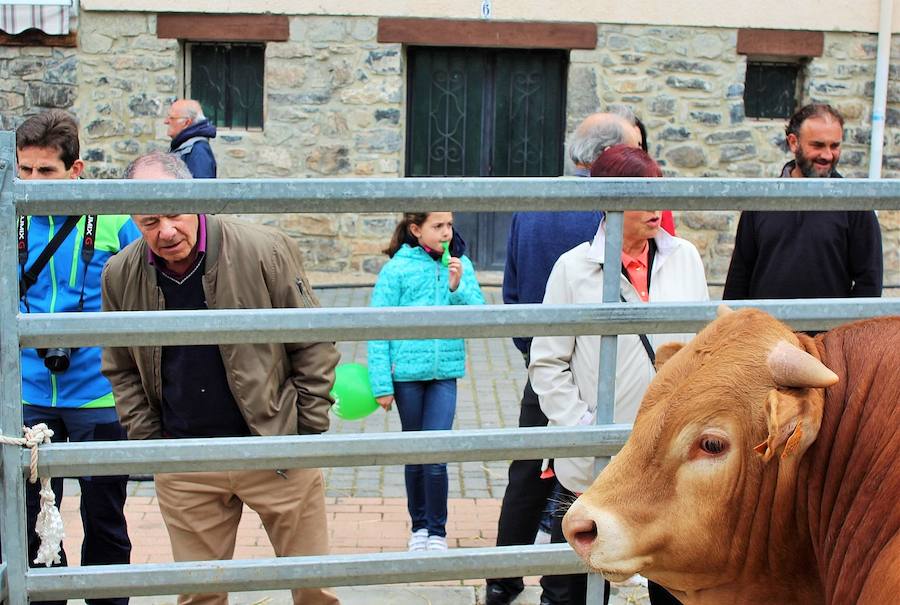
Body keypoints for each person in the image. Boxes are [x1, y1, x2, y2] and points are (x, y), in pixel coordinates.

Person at [101, 151, 340, 605]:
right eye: (149, 221)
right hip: (187, 459)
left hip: (276, 448)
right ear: (132, 218)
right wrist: (155, 444)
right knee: (199, 598)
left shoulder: (264, 248)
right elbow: (120, 366)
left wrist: (304, 430)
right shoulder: (119, 273)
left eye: (173, 212)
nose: (166, 231)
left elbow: (314, 341)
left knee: (315, 590)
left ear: (196, 198)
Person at [487, 110, 662, 605]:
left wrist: (536, 360)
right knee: (584, 486)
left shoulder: (535, 203)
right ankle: (570, 584)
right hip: (596, 372)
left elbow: (515, 289)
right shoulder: (612, 208)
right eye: (631, 149)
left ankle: (503, 579)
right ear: (605, 160)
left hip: (548, 367)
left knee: (527, 479)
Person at [530, 145, 709, 605]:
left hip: (669, 455)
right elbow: (547, 362)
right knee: (574, 581)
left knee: (674, 580)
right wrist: (583, 427)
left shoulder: (684, 257)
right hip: (597, 456)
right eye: (642, 197)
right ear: (609, 200)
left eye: (659, 195)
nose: (656, 209)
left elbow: (702, 345)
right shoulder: (573, 268)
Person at [16, 109, 136, 605]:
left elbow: (148, 291)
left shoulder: (113, 220)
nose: (33, 181)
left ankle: (107, 600)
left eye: (46, 171)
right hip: (25, 393)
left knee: (104, 515)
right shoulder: (9, 219)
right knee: (28, 517)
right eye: (24, 169)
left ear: (76, 169)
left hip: (99, 392)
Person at [367, 212, 485, 552]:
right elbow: (377, 329)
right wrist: (381, 385)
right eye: (438, 226)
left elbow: (481, 317)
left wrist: (457, 287)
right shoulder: (397, 270)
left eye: (450, 225)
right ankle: (418, 527)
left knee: (436, 455)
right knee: (415, 454)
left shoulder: (461, 266)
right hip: (405, 378)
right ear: (416, 230)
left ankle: (438, 531)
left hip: (444, 374)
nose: (446, 233)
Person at [723, 103, 882, 300]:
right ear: (793, 143)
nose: (827, 155)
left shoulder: (856, 204)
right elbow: (740, 275)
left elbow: (869, 282)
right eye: (817, 145)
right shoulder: (761, 200)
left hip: (830, 330)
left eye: (834, 146)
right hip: (768, 330)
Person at [164, 99, 217, 178]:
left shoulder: (198, 151)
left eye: (171, 118)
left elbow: (202, 188)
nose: (166, 121)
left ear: (186, 122)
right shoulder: (185, 145)